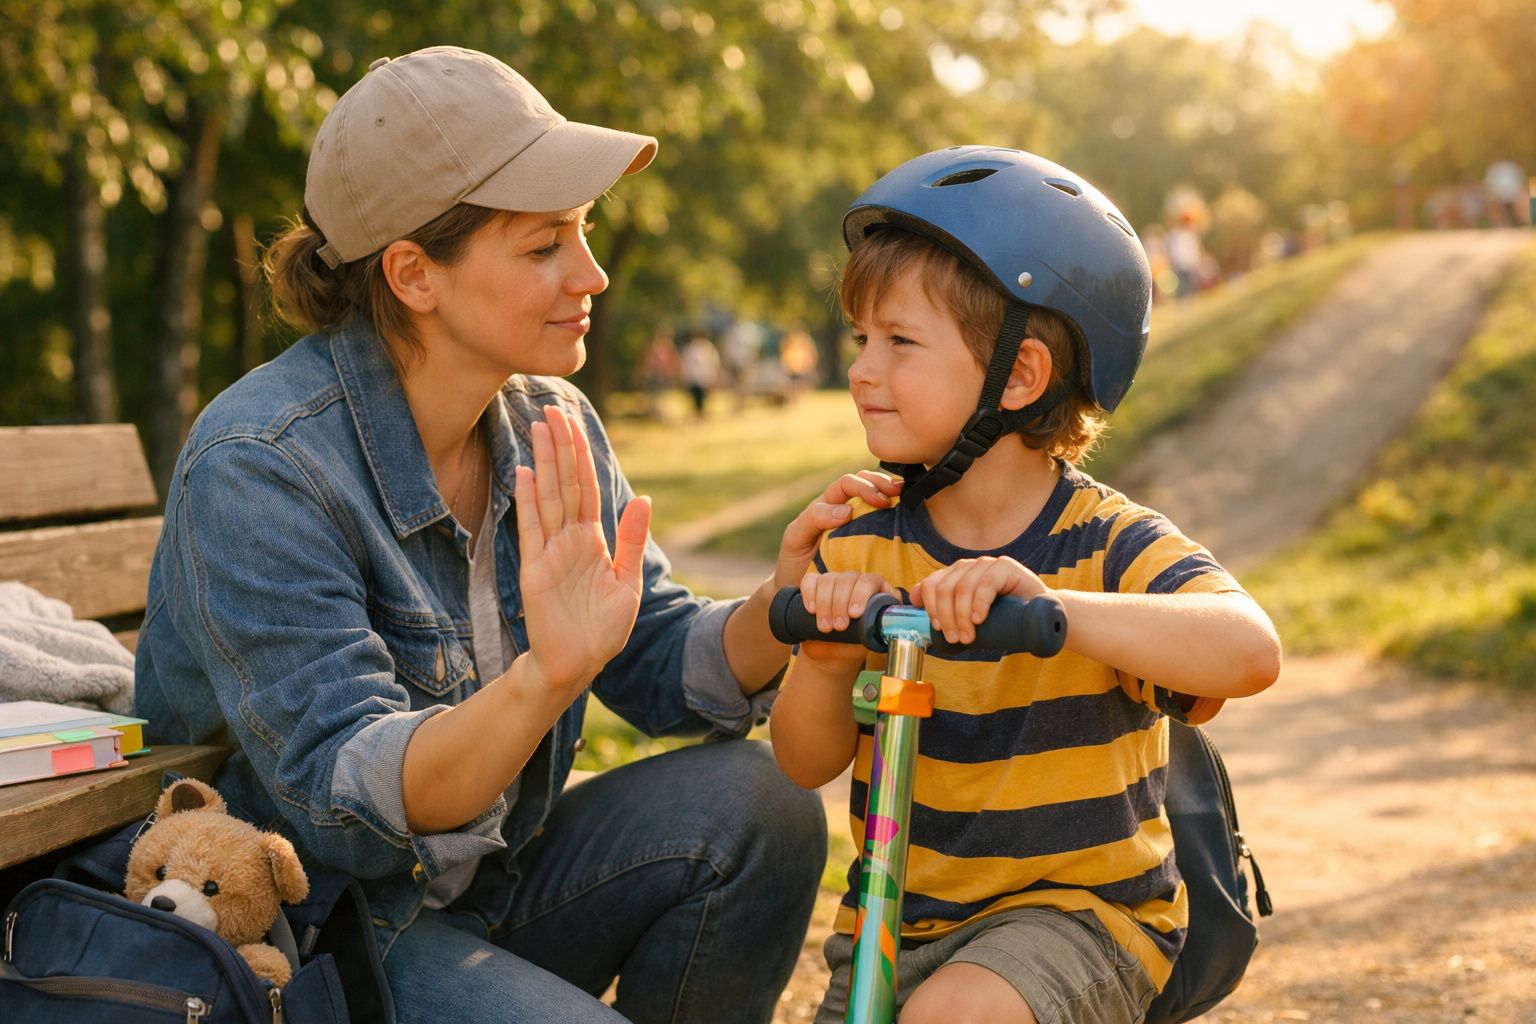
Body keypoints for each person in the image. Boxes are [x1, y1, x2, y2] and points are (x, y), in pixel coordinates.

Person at [133, 46, 893, 1024]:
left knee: (763, 806)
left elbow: (655, 651)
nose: (593, 273)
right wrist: (546, 678)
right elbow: (347, 808)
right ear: (414, 273)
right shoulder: (261, 466)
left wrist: (781, 605)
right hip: (324, 937)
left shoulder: (546, 419)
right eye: (544, 248)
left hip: (494, 885)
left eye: (583, 233)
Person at [768, 147, 1282, 1024]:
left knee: (952, 1018)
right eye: (861, 340)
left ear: (1019, 375)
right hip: (893, 926)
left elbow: (1250, 650)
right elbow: (802, 761)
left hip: (1082, 921)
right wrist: (822, 660)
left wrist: (1058, 612)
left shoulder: (1106, 545)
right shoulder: (861, 545)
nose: (860, 370)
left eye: (899, 342)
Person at [679, 331, 720, 418]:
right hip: (694, 377)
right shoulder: (689, 349)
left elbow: (714, 362)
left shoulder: (708, 347)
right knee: (695, 396)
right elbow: (685, 364)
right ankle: (698, 412)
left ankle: (702, 413)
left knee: (704, 397)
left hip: (705, 377)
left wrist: (713, 374)